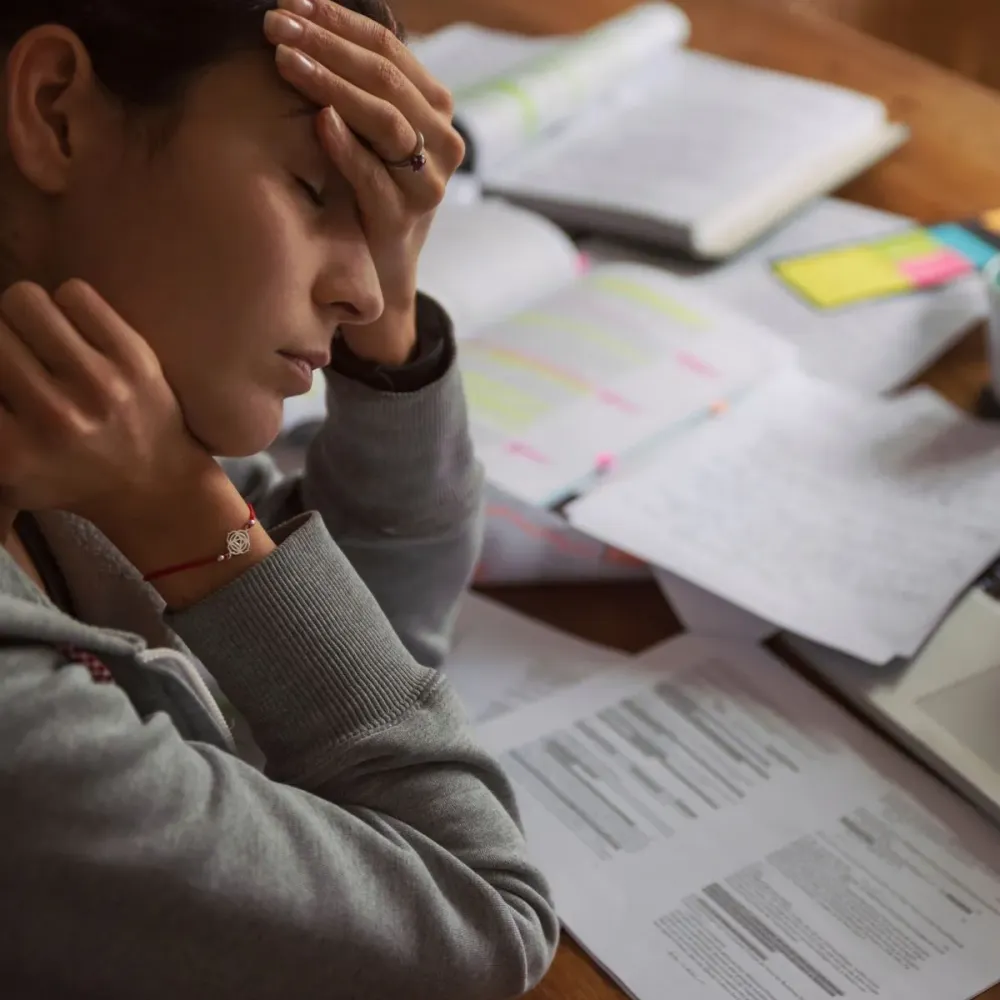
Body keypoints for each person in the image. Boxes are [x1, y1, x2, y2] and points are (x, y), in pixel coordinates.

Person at [0, 0, 560, 996]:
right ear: (55, 112)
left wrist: (390, 355)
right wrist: (181, 512)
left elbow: (345, 663)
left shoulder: (77, 413)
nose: (369, 296)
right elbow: (485, 918)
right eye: (313, 186)